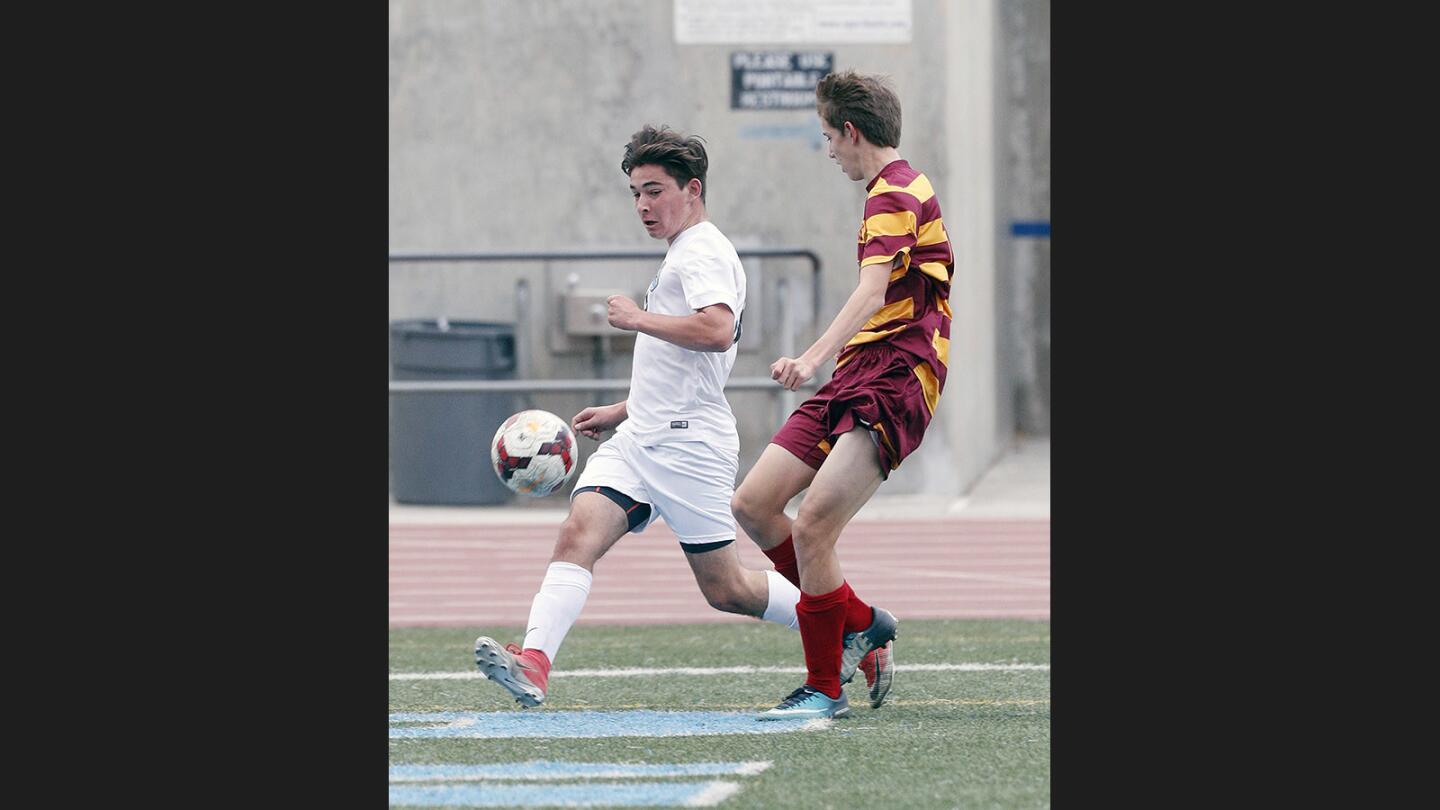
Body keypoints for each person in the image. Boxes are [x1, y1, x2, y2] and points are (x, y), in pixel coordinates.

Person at [474, 125, 802, 708]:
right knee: (577, 534)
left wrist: (635, 318)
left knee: (726, 589)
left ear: (692, 189)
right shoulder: (682, 251)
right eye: (635, 193)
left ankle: (846, 623)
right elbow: (682, 364)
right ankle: (535, 662)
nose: (644, 206)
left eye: (654, 190)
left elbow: (717, 330)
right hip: (643, 436)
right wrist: (624, 410)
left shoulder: (702, 250)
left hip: (688, 446)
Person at [732, 70, 955, 720]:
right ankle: (862, 621)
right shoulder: (891, 190)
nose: (828, 150)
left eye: (829, 137)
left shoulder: (894, 192)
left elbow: (873, 290)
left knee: (814, 526)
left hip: (895, 377)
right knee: (754, 504)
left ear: (852, 132)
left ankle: (825, 687)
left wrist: (808, 356)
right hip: (857, 375)